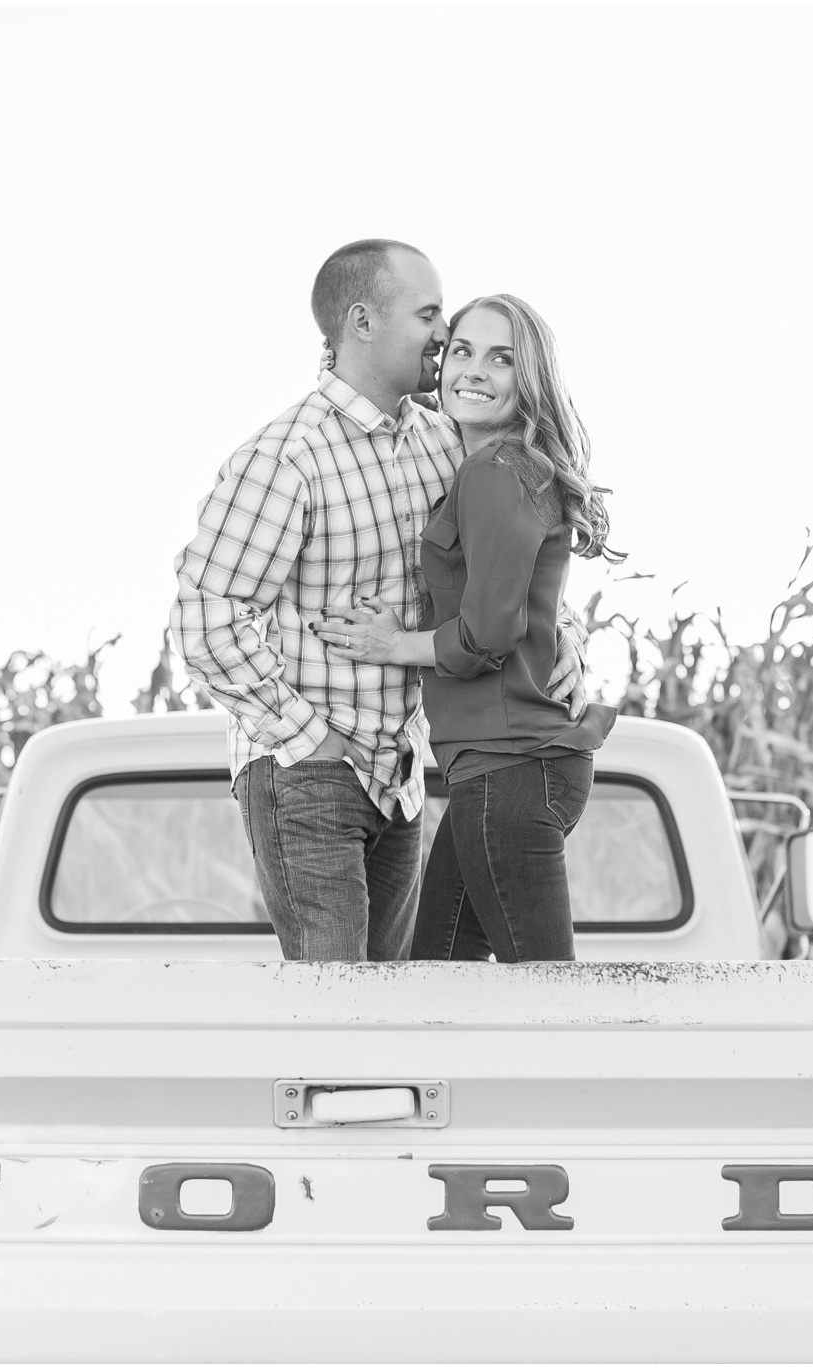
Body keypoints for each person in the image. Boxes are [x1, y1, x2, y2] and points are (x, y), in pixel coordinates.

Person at [170, 243, 586, 963]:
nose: (442, 336)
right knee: (339, 1018)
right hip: (310, 774)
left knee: (393, 1013)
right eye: (430, 316)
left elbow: (507, 559)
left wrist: (565, 637)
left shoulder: (441, 439)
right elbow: (206, 618)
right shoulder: (284, 457)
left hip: (403, 776)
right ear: (362, 321)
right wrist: (310, 739)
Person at [316, 294, 622, 962]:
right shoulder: (505, 466)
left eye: (502, 358)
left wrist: (392, 643)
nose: (475, 370)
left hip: (511, 769)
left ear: (529, 378)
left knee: (546, 1002)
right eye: (462, 351)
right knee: (438, 984)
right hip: (501, 770)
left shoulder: (496, 472)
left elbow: (489, 630)